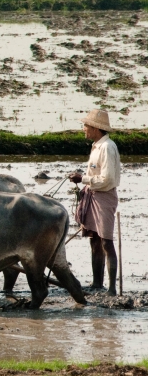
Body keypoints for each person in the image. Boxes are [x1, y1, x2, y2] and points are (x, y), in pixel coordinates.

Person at [69, 109, 121, 296]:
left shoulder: (107, 147)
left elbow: (107, 179)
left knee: (106, 242)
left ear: (96, 128)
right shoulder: (96, 146)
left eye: (86, 126)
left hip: (104, 197)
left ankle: (112, 289)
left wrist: (82, 179)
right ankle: (97, 283)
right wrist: (84, 180)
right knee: (95, 240)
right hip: (93, 195)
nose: (84, 129)